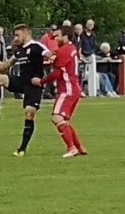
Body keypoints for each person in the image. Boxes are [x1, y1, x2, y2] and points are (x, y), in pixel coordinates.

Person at [0, 24, 52, 157]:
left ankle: (22, 149)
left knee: (29, 113)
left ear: (26, 33)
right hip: (22, 82)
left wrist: (44, 79)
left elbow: (52, 56)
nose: (15, 38)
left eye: (17, 35)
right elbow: (8, 64)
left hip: (34, 85)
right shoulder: (20, 50)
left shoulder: (37, 47)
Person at [35, 27, 87, 159]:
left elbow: (57, 73)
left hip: (67, 90)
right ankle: (79, 147)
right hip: (73, 89)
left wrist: (41, 81)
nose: (55, 39)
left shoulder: (64, 50)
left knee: (56, 117)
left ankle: (71, 148)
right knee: (63, 120)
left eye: (57, 36)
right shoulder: (71, 48)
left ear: (65, 36)